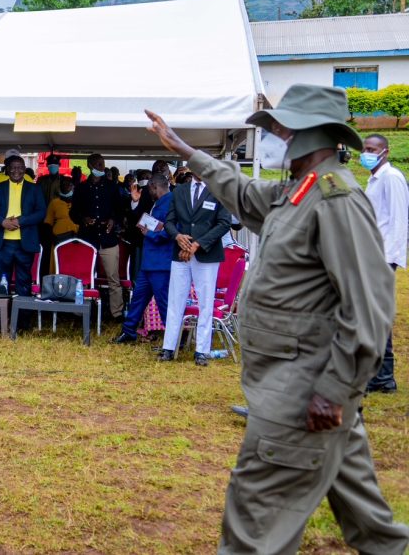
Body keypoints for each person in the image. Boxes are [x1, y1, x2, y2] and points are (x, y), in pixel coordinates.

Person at [146, 84, 409, 554]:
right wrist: (188, 152)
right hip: (298, 386)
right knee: (375, 531)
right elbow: (243, 193)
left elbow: (369, 305)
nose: (274, 136)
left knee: (253, 529)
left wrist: (333, 390)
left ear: (309, 135)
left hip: (303, 394)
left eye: (282, 128)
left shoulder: (336, 200)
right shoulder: (298, 190)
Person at [158, 170, 232, 363]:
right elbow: (169, 222)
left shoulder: (218, 190)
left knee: (205, 302)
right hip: (180, 252)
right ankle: (168, 347)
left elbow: (224, 223)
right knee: (175, 300)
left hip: (206, 254)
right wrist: (177, 236)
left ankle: (201, 350)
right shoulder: (179, 191)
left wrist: (197, 244)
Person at [362, 133, 408, 394]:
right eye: (365, 148)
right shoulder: (374, 179)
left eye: (372, 149)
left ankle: (383, 376)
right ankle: (380, 374)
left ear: (385, 151)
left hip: (383, 258)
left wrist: (388, 261)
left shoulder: (392, 178)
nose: (367, 152)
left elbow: (399, 223)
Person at [112, 174, 173, 344]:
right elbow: (139, 217)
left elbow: (172, 231)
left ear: (154, 186)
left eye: (149, 189)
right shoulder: (156, 202)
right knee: (138, 298)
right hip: (149, 262)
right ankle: (129, 331)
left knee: (164, 302)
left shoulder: (171, 202)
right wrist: (135, 201)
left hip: (161, 262)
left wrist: (151, 234)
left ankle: (174, 338)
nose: (147, 192)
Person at [70, 153, 126, 320]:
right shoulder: (81, 188)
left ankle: (116, 313)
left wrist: (112, 220)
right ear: (89, 165)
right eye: (97, 164)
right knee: (83, 276)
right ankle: (80, 311)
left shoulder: (112, 187)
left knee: (113, 278)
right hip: (87, 238)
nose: (101, 167)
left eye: (102, 164)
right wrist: (83, 219)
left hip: (108, 238)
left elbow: (120, 210)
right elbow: (73, 213)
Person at [0, 155, 45, 297]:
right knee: (2, 281)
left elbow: (41, 212)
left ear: (25, 169)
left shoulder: (34, 189)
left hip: (24, 243)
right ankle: (3, 318)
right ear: (7, 169)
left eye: (19, 167)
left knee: (23, 282)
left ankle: (21, 318)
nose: (16, 171)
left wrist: (21, 221)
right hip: (2, 243)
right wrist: (2, 222)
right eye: (12, 168)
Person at [43, 175, 79, 271]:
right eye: (64, 184)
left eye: (70, 184)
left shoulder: (78, 202)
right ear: (60, 186)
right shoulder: (54, 202)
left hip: (75, 238)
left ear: (73, 186)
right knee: (58, 264)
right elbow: (47, 223)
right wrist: (52, 237)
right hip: (58, 238)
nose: (67, 186)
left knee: (73, 263)